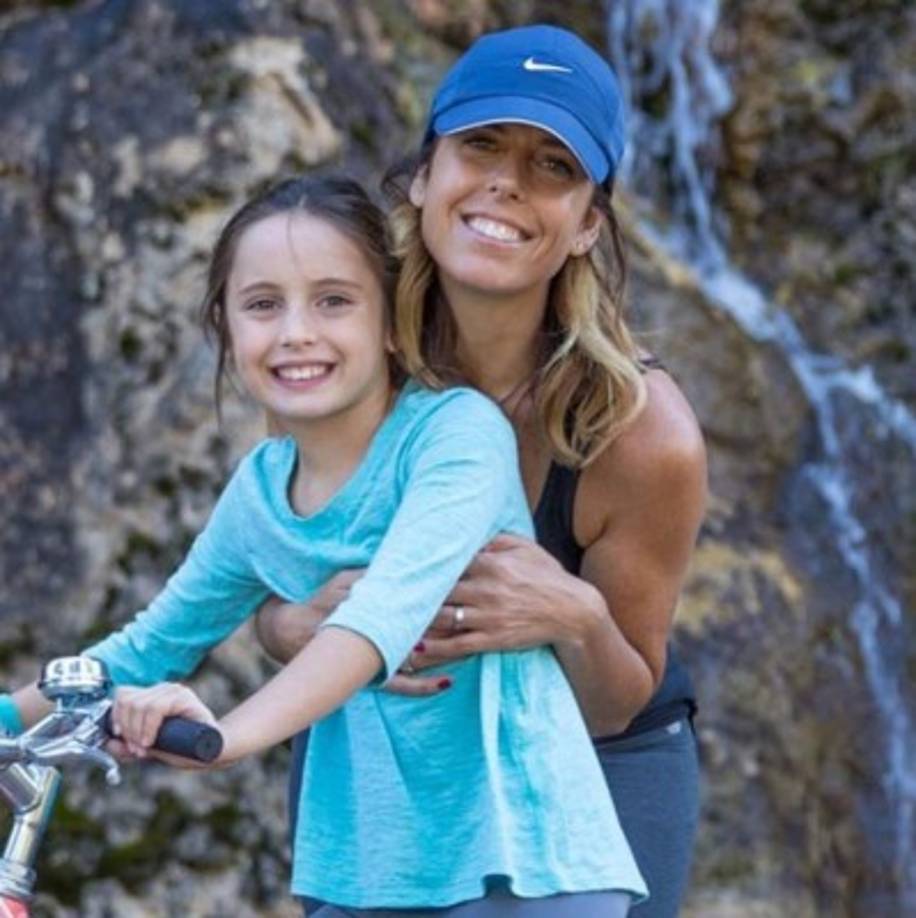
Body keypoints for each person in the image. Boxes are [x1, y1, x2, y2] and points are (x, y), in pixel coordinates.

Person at [1, 174, 646, 915]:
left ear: (391, 324)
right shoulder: (260, 490)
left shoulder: (454, 435)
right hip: (362, 873)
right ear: (227, 327)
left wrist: (227, 737)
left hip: (524, 860)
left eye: (334, 301)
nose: (296, 332)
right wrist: (8, 721)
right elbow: (147, 649)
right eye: (263, 304)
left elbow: (378, 619)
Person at [257, 24, 708, 918]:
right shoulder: (339, 360)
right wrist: (294, 625)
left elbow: (620, 700)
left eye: (553, 165)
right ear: (425, 175)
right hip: (389, 747)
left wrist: (574, 617)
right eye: (482, 146)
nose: (506, 182)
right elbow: (267, 595)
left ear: (587, 225)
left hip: (595, 765)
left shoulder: (641, 431)